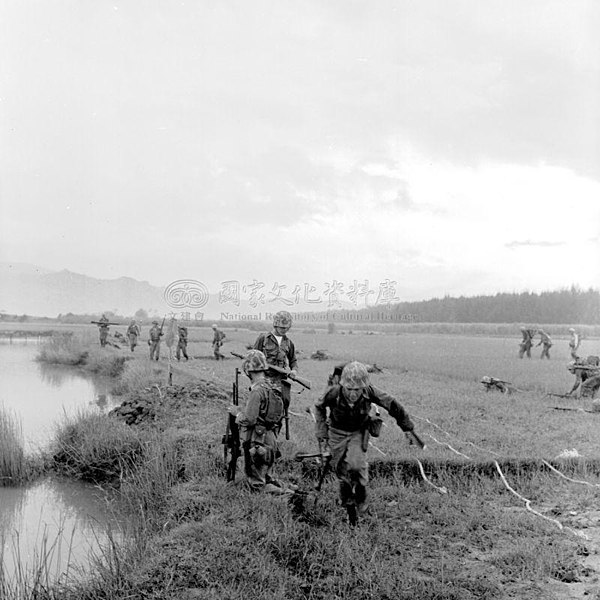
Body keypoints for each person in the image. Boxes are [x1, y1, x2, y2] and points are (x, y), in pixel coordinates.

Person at [314, 361, 421, 523]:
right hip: (337, 433)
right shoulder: (334, 393)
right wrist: (323, 435)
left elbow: (392, 405)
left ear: (363, 387)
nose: (352, 394)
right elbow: (319, 407)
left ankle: (362, 505)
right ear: (343, 385)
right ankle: (348, 507)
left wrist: (407, 428)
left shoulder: (371, 392)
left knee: (356, 467)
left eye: (357, 390)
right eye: (349, 389)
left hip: (358, 432)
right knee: (342, 471)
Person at [227, 350, 290, 494]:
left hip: (257, 441)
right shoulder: (272, 387)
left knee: (257, 486)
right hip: (270, 438)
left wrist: (236, 413)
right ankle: (286, 491)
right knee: (267, 476)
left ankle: (285, 496)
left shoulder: (257, 391)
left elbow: (249, 419)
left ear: (248, 370)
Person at [253, 311, 298, 412]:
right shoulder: (263, 338)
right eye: (282, 327)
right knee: (262, 408)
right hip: (263, 379)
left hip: (280, 381)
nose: (284, 330)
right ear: (275, 325)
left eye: (287, 328)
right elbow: (253, 358)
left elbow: (293, 360)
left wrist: (294, 370)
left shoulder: (288, 343)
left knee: (281, 407)